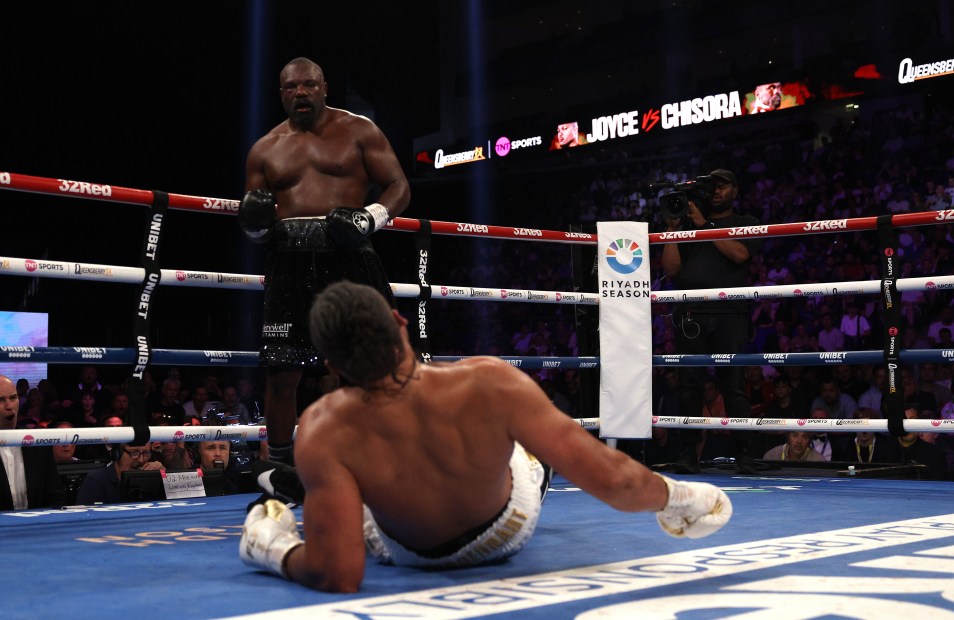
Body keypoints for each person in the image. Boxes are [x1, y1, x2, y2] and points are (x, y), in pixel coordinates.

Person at [240, 282, 732, 592]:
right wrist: (681, 497)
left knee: (349, 482)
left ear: (330, 365)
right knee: (529, 443)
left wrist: (271, 548)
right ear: (399, 321)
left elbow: (338, 574)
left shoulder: (322, 429)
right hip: (506, 527)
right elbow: (614, 480)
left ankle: (298, 488)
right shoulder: (487, 382)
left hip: (405, 553)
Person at [242, 57, 411, 465]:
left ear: (324, 87)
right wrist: (254, 226)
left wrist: (368, 218)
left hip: (349, 253)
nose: (300, 93)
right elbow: (256, 227)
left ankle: (394, 458)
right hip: (288, 261)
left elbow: (398, 186)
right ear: (281, 94)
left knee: (376, 362)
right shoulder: (264, 148)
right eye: (290, 88)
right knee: (282, 372)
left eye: (308, 85)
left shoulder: (358, 130)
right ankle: (281, 468)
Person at [661, 169, 760, 474]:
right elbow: (672, 269)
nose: (717, 191)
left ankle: (743, 455)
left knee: (734, 386)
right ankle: (689, 454)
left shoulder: (746, 223)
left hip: (730, 313)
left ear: (736, 190)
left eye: (723, 185)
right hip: (692, 314)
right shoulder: (690, 228)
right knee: (689, 387)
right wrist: (674, 229)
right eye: (712, 187)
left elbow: (741, 254)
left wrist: (707, 226)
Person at [0, 375, 66, 510]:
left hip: (35, 527)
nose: (9, 406)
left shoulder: (37, 442)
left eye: (13, 398)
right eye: (1, 400)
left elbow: (55, 496)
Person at [75, 439, 164, 505]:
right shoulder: (96, 480)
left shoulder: (153, 477)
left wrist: (165, 477)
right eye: (134, 453)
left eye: (145, 453)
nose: (141, 460)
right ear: (117, 454)